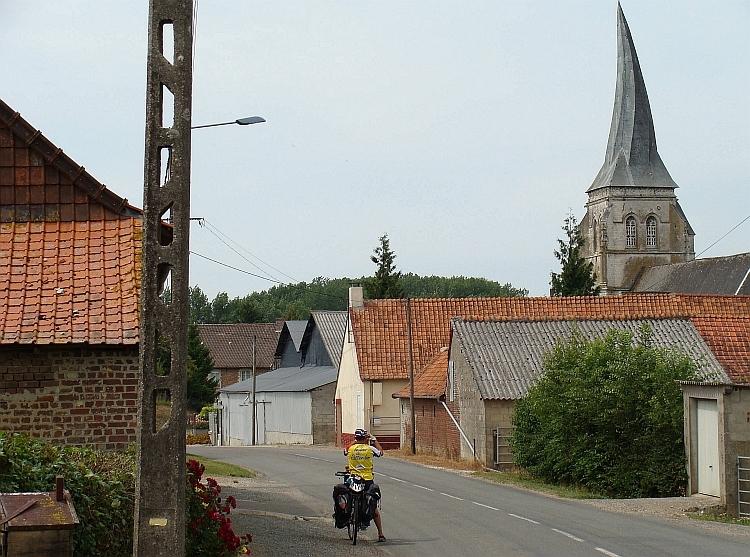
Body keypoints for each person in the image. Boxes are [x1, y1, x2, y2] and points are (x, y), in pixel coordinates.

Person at [344, 428, 386, 542]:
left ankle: (346, 515)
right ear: (366, 438)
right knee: (373, 506)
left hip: (352, 479)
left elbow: (345, 450)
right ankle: (380, 534)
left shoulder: (350, 448)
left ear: (356, 438)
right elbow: (381, 452)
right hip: (367, 480)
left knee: (347, 496)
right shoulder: (370, 449)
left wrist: (355, 442)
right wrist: (375, 440)